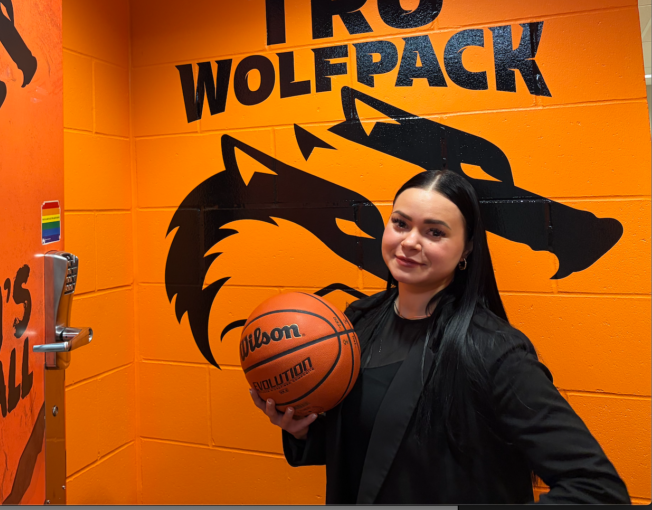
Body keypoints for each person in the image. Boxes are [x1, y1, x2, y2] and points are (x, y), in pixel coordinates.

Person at [249, 169, 630, 504]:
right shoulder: (354, 324)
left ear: (466, 250)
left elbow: (598, 489)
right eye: (400, 223)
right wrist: (301, 430)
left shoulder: (492, 350)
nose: (411, 241)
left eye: (434, 232)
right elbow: (370, 450)